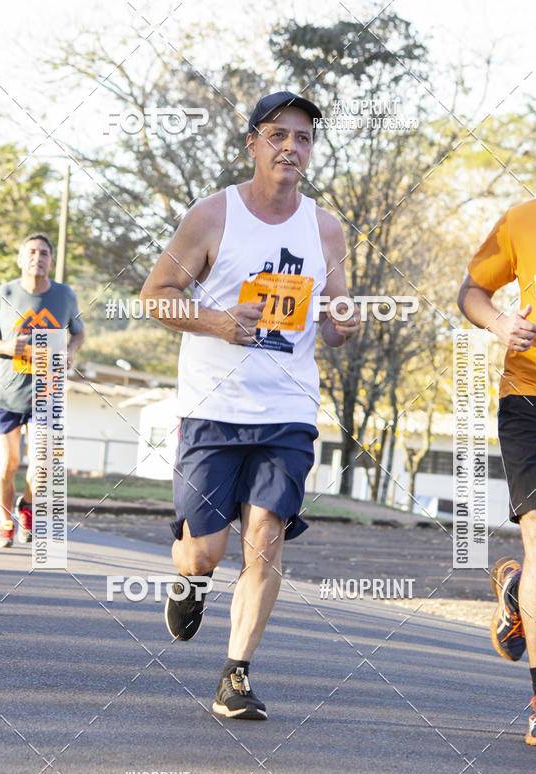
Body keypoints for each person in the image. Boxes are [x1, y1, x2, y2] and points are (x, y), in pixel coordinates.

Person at [141, 91, 360, 720]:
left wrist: (343, 321)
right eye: (278, 135)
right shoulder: (212, 216)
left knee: (264, 536)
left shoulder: (325, 227)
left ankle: (236, 674)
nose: (292, 146)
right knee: (204, 551)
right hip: (213, 407)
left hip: (287, 410)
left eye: (303, 137)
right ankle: (191, 580)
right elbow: (156, 295)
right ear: (253, 145)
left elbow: (333, 315)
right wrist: (215, 322)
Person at [457, 127, 536, 748]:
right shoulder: (526, 220)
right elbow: (471, 290)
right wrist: (499, 321)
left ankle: (520, 590)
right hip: (532, 398)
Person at [0, 233, 84, 548]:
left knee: (43, 465)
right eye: (31, 252)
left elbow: (79, 332)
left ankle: (28, 507)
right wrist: (6, 346)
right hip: (6, 395)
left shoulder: (65, 296)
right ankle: (5, 522)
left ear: (51, 260)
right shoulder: (2, 294)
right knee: (7, 463)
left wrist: (72, 350)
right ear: (21, 259)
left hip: (46, 393)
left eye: (44, 253)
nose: (38, 257)